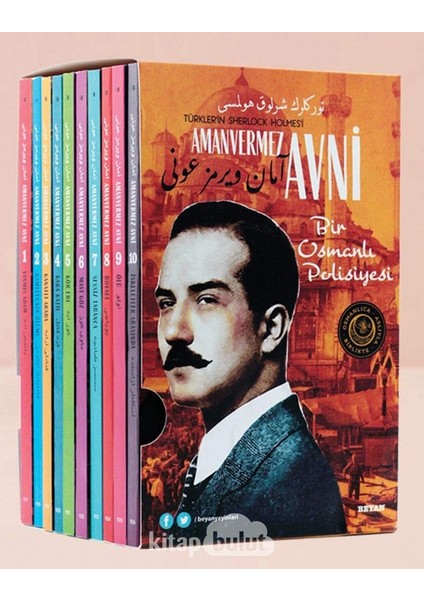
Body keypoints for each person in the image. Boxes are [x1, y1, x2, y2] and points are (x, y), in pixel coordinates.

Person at [155, 200, 346, 541]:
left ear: (271, 328)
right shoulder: (234, 457)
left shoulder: (290, 485)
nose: (173, 331)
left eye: (207, 300)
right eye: (167, 303)